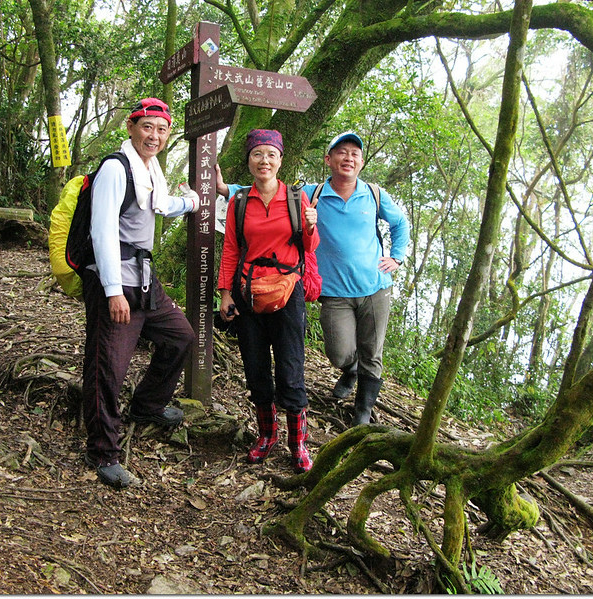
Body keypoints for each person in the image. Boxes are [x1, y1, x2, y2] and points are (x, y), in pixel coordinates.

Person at [217, 131, 409, 426]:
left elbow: (399, 223)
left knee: (373, 351)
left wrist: (397, 256)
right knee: (339, 352)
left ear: (361, 162)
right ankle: (350, 368)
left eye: (354, 154)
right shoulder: (312, 194)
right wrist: (224, 188)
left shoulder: (374, 194)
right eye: (341, 153)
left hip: (375, 285)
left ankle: (363, 413)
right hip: (335, 290)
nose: (348, 158)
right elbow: (265, 185)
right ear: (328, 159)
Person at [82, 97, 200, 489]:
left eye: (162, 129)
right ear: (131, 128)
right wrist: (112, 290)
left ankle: (147, 405)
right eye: (147, 126)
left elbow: (159, 205)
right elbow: (102, 231)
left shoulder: (150, 169)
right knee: (108, 368)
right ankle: (103, 452)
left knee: (180, 337)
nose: (155, 135)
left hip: (145, 280)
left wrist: (192, 202)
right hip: (116, 282)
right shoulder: (116, 169)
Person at [217, 129, 320, 473]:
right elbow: (231, 248)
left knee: (291, 366)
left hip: (287, 293)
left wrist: (310, 226)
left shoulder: (295, 198)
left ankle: (298, 443)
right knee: (255, 365)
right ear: (249, 161)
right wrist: (225, 293)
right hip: (248, 293)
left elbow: (310, 246)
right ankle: (266, 435)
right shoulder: (239, 201)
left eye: (271, 155)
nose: (264, 161)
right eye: (258, 154)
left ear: (280, 160)